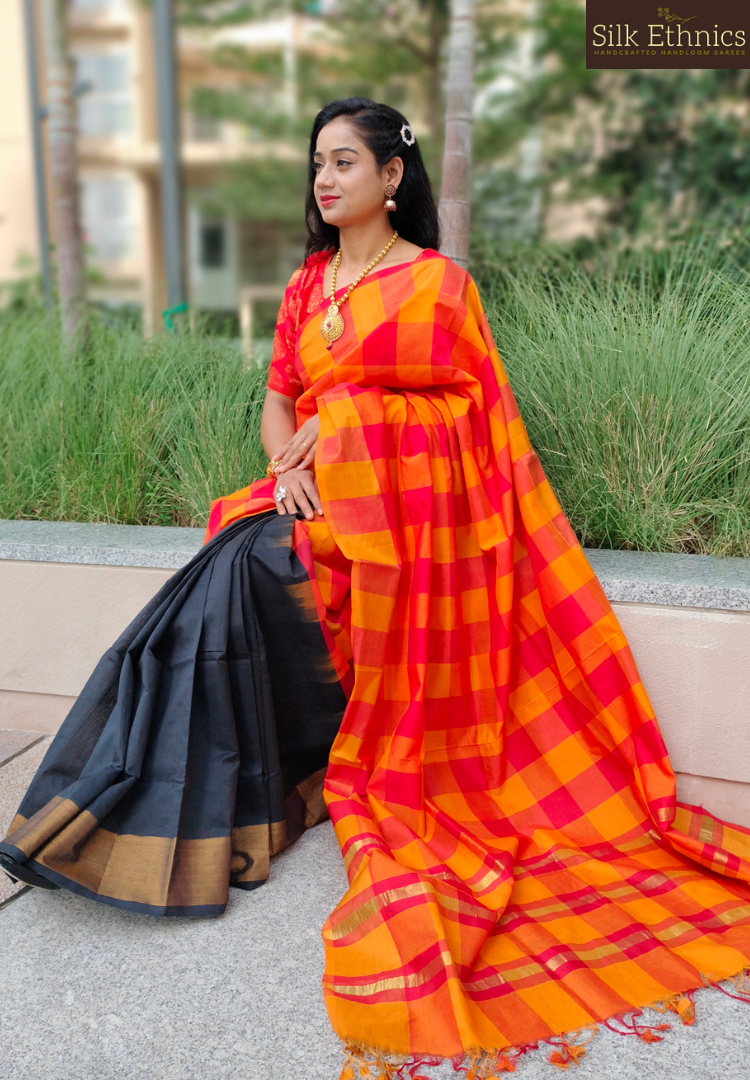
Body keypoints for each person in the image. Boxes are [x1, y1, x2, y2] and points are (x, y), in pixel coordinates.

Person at [2, 98, 749, 1077]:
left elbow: (471, 424)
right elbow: (278, 401)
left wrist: (350, 420)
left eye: (345, 161)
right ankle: (133, 812)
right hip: (315, 505)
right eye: (317, 162)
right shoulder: (308, 284)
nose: (324, 178)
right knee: (217, 582)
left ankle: (191, 810)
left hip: (409, 532)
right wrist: (292, 470)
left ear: (393, 176)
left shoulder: (437, 285)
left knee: (239, 577)